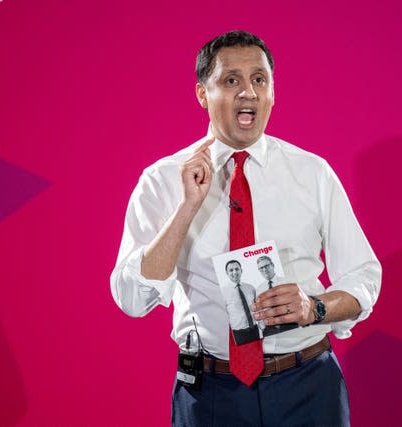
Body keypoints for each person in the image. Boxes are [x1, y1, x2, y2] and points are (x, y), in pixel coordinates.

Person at [110, 30, 381, 427]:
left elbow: (364, 277)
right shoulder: (162, 180)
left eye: (259, 79)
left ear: (272, 91)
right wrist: (187, 208)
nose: (248, 93)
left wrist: (314, 307)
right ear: (203, 94)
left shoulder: (312, 173)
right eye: (231, 81)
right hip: (210, 394)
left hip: (308, 386)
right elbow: (133, 300)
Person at [255, 255, 296, 337]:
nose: (264, 270)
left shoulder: (285, 281)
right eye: (261, 268)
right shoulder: (259, 289)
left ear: (272, 265)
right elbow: (259, 310)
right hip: (270, 329)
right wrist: (261, 326)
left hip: (290, 325)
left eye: (266, 266)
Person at [222, 260, 261, 344]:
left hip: (255, 329)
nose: (235, 272)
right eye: (231, 270)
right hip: (238, 334)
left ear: (241, 270)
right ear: (227, 273)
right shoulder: (223, 293)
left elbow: (258, 308)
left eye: (237, 269)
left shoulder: (250, 288)